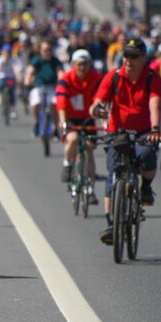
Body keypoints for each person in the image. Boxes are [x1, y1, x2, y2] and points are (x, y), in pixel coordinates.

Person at [88, 38, 161, 245]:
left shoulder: (152, 78)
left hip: (144, 132)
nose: (128, 60)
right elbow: (98, 101)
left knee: (147, 156)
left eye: (134, 56)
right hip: (117, 132)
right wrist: (96, 109)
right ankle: (112, 224)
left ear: (144, 58)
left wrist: (155, 129)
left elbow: (155, 105)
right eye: (125, 56)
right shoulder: (114, 76)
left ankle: (146, 187)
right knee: (114, 173)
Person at [56, 49, 102, 206]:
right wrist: (63, 121)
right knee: (73, 139)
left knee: (89, 147)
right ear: (73, 65)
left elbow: (101, 97)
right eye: (79, 64)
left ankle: (90, 188)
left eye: (85, 64)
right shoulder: (66, 79)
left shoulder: (96, 77)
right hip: (70, 118)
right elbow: (61, 100)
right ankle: (67, 164)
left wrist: (103, 119)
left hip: (88, 118)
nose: (82, 67)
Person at [25, 40, 64, 137]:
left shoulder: (55, 61)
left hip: (52, 87)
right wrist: (27, 81)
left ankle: (56, 127)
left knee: (55, 104)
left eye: (50, 50)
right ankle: (37, 122)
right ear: (40, 51)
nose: (48, 52)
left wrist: (61, 82)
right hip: (38, 87)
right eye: (45, 50)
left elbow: (60, 72)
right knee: (35, 104)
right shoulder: (37, 60)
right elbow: (30, 71)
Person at [0, 43, 23, 120]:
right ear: (2, 52)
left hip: (10, 78)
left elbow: (17, 70)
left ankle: (13, 110)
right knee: (0, 84)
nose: (7, 54)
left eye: (8, 52)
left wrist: (19, 77)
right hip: (2, 77)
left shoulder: (14, 60)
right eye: (5, 52)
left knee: (12, 92)